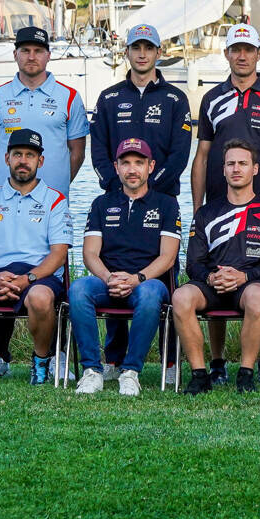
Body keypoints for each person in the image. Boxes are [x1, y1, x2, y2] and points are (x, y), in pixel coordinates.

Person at [190, 23, 260, 386]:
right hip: (219, 205)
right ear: (226, 54)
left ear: (258, 55)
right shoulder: (212, 99)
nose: (241, 55)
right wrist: (196, 209)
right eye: (235, 49)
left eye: (248, 49)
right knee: (219, 276)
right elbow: (202, 156)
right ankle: (217, 362)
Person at [0, 26, 88, 379]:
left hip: (51, 202)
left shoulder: (69, 97)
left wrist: (51, 185)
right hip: (3, 201)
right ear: (15, 54)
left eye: (38, 50)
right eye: (24, 50)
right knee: (2, 264)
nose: (31, 56)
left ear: (48, 55)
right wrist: (8, 179)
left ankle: (53, 357)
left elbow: (76, 152)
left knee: (47, 279)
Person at [90, 23, 191, 382]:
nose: (142, 53)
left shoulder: (176, 99)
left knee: (165, 278)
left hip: (162, 201)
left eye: (149, 47)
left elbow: (180, 154)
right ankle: (114, 361)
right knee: (117, 270)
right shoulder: (109, 97)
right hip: (118, 199)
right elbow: (99, 149)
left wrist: (152, 188)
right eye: (136, 47)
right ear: (127, 52)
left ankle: (169, 360)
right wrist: (113, 183)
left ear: (159, 52)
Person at [174, 139, 260, 395]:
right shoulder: (205, 213)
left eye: (243, 163)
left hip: (249, 285)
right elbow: (193, 264)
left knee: (258, 295)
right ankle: (200, 375)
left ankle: (246, 374)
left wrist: (244, 276)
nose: (236, 169)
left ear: (255, 169)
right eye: (231, 164)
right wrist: (212, 277)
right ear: (223, 169)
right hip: (212, 286)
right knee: (181, 296)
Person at [68, 138, 181, 396]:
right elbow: (90, 253)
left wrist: (136, 279)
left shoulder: (167, 204)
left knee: (152, 293)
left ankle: (130, 372)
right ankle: (91, 372)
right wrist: (109, 278)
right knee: (78, 289)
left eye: (139, 163)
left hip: (147, 283)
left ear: (150, 166)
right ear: (116, 167)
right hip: (108, 281)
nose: (132, 169)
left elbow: (168, 258)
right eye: (126, 163)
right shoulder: (101, 204)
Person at [0, 130, 72, 385]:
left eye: (30, 155)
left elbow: (58, 254)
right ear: (6, 158)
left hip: (39, 275)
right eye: (18, 154)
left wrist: (26, 279)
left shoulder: (55, 200)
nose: (23, 160)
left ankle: (41, 361)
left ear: (40, 161)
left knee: (40, 298)